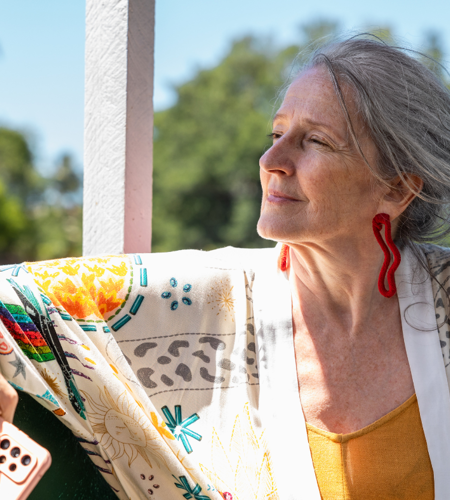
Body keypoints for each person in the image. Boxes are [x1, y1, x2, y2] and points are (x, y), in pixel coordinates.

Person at [1, 36, 450, 499]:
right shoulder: (202, 293)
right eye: (276, 135)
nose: (271, 161)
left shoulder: (444, 300)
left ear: (396, 190)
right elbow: (13, 300)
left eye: (315, 141)